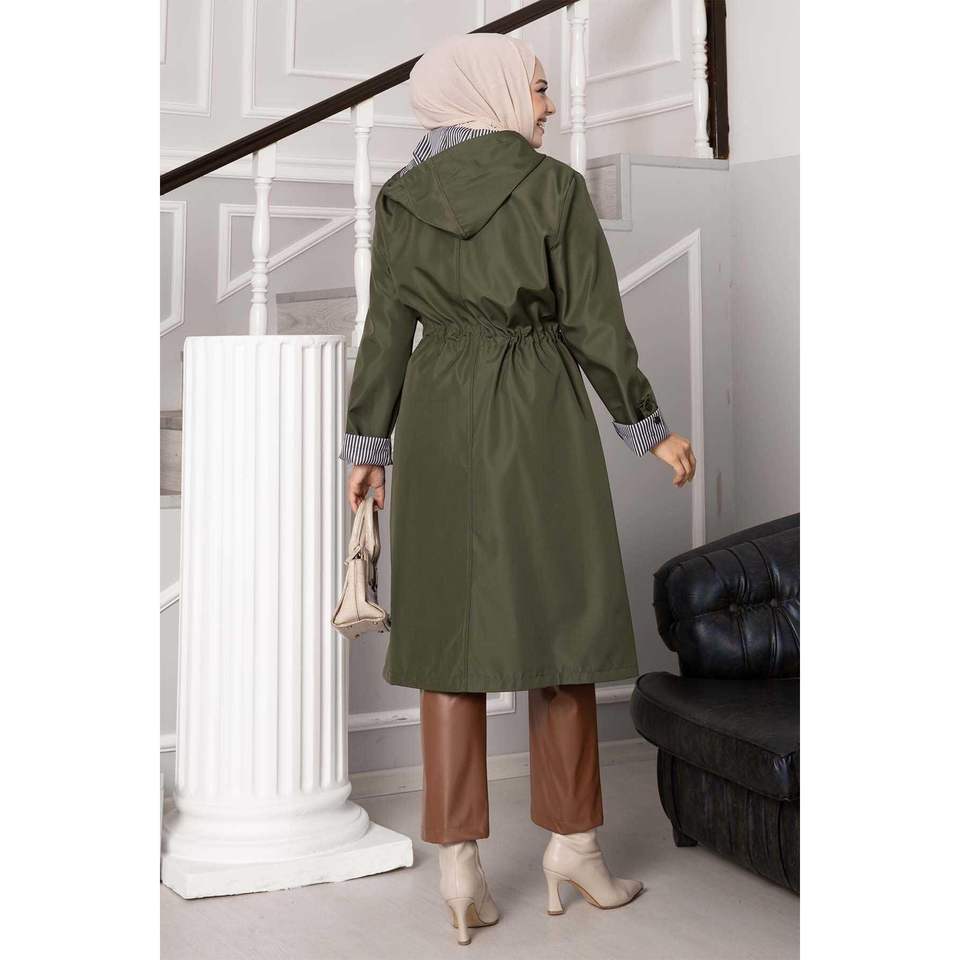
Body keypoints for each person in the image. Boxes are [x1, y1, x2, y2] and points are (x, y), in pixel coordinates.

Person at [338, 32, 696, 946]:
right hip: (536, 408)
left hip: (438, 412)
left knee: (445, 640)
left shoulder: (402, 197)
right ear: (494, 90)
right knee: (560, 624)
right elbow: (595, 324)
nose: (549, 106)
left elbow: (387, 328)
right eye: (538, 89)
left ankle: (458, 864)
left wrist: (369, 442)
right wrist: (647, 425)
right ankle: (574, 845)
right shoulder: (553, 188)